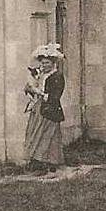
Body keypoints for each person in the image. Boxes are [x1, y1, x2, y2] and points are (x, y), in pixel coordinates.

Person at [23, 43, 65, 173]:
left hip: (50, 110)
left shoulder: (57, 76)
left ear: (53, 63)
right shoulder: (42, 75)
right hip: (40, 109)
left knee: (48, 135)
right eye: (42, 63)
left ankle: (49, 161)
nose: (44, 65)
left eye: (47, 63)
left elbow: (55, 96)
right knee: (35, 133)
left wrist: (38, 92)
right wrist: (31, 89)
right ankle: (37, 160)